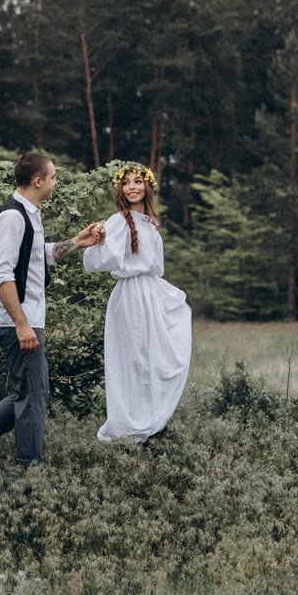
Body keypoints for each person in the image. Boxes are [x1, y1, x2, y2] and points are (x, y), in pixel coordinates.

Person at [0, 151, 98, 472]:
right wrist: (22, 325)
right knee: (33, 395)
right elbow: (0, 274)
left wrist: (77, 242)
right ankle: (30, 468)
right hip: (15, 320)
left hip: (23, 319)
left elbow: (37, 255)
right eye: (53, 177)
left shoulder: (29, 214)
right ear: (38, 181)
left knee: (32, 392)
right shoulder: (12, 217)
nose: (55, 183)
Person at [78, 162, 192, 444]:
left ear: (147, 186)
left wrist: (176, 301)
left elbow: (154, 270)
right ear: (120, 188)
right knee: (133, 361)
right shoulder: (118, 221)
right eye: (126, 182)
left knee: (154, 359)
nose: (132, 187)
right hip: (130, 296)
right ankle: (130, 427)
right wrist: (101, 241)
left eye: (137, 181)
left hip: (152, 296)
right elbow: (98, 261)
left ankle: (150, 423)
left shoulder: (151, 222)